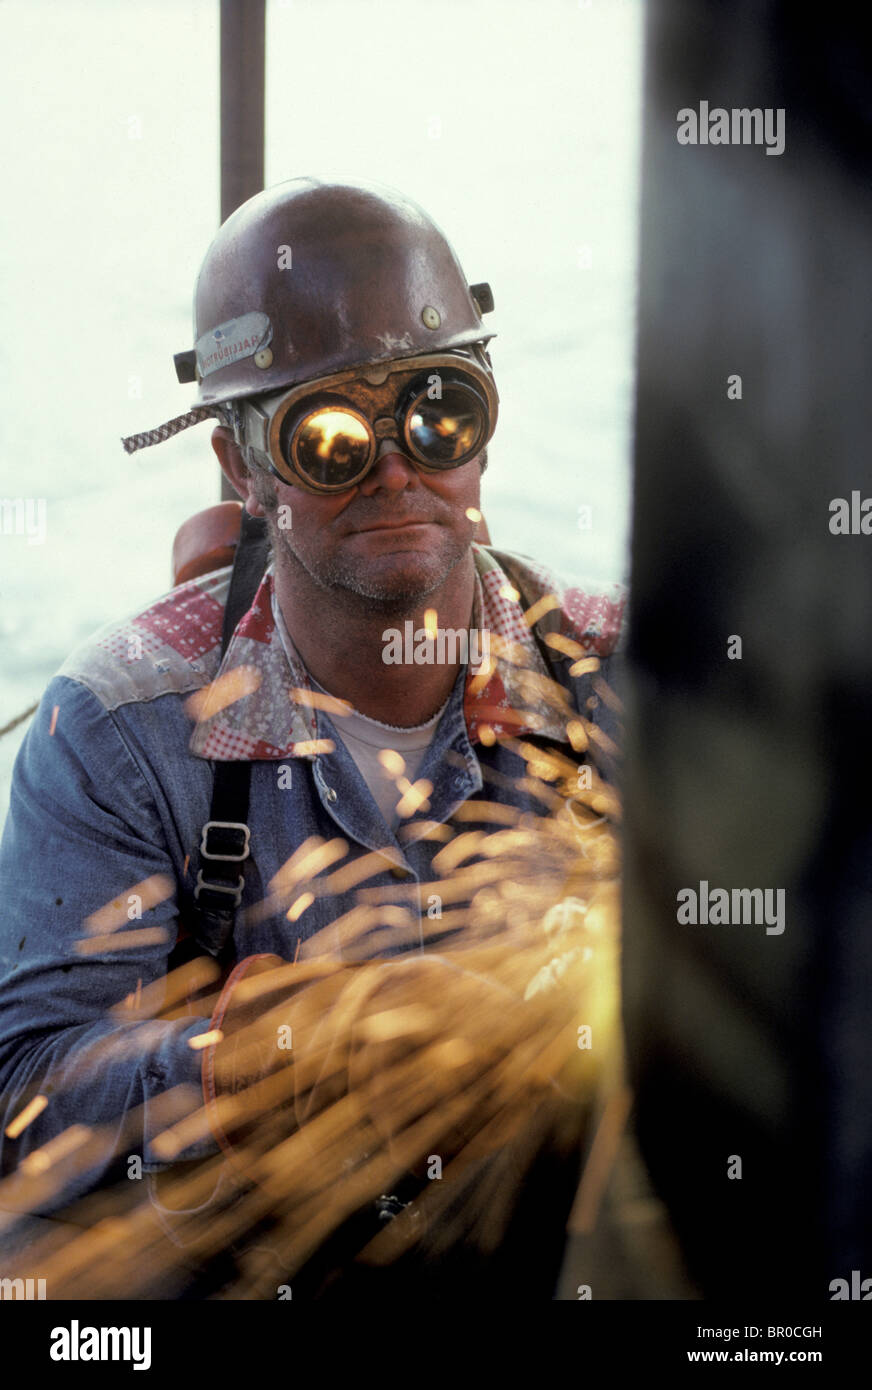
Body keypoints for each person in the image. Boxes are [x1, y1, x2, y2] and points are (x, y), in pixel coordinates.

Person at [0, 177, 626, 1297]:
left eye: (439, 409)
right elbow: (29, 1090)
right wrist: (264, 1057)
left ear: (484, 428)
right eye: (328, 434)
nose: (396, 466)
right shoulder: (118, 727)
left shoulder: (615, 683)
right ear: (241, 467)